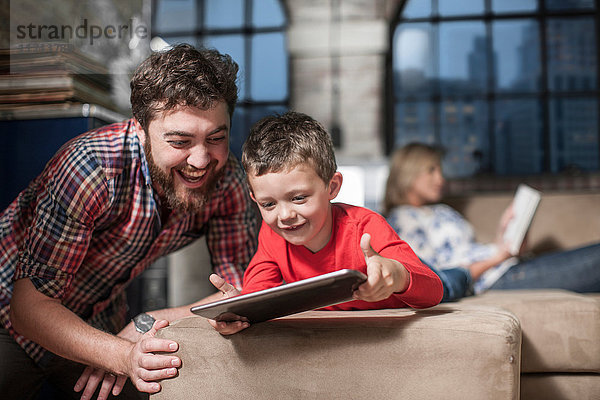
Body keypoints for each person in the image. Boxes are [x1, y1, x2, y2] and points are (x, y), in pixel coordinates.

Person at [0, 44, 259, 400]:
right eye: (180, 141)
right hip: (9, 314)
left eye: (216, 138)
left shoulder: (227, 178)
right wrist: (122, 356)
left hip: (101, 319)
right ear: (139, 128)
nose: (201, 160)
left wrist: (148, 321)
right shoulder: (91, 168)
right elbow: (28, 307)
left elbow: (240, 292)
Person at [207, 112, 443, 335]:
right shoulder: (272, 235)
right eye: (268, 204)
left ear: (332, 187)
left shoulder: (365, 226)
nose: (284, 215)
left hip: (414, 289)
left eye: (298, 198)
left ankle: (463, 272)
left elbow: (434, 290)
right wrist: (238, 308)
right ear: (254, 199)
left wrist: (396, 275)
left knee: (454, 278)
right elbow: (258, 290)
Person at [383, 142, 600, 297]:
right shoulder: (402, 219)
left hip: (506, 267)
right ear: (408, 174)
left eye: (440, 170)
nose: (440, 178)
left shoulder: (439, 210)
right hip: (494, 279)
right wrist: (499, 257)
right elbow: (434, 279)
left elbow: (469, 249)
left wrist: (504, 236)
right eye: (431, 170)